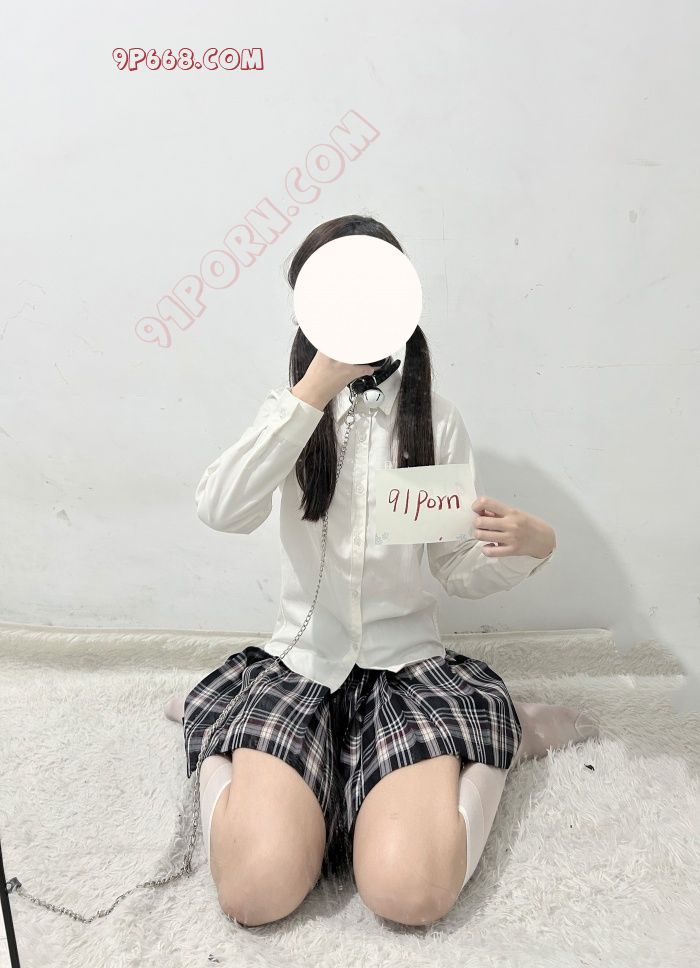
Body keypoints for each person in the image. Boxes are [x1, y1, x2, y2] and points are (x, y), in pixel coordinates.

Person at [164, 214, 599, 930]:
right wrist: (312, 391)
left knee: (409, 895)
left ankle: (500, 736)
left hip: (406, 671)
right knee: (254, 894)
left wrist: (529, 546)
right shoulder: (290, 415)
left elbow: (453, 569)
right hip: (302, 666)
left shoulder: (435, 423)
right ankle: (220, 732)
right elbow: (221, 508)